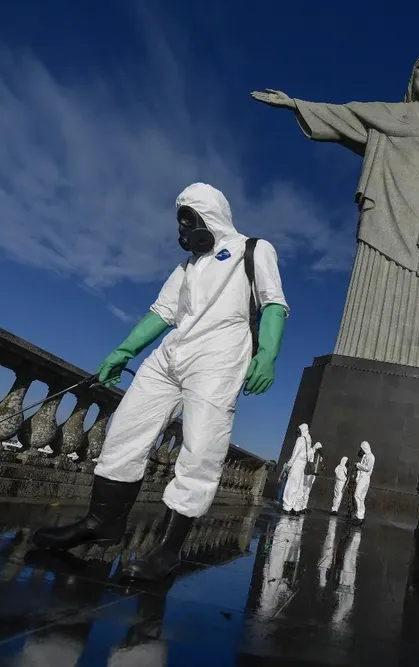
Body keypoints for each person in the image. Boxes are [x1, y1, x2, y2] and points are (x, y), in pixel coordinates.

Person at [32, 182, 289, 582]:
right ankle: (102, 523)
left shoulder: (253, 250)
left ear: (212, 215)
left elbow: (273, 303)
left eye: (191, 218)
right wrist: (122, 352)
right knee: (125, 431)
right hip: (169, 356)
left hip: (218, 358)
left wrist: (267, 355)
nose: (184, 228)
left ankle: (167, 549)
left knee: (201, 448)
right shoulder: (187, 267)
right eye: (181, 220)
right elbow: (162, 314)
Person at [280, 423, 312, 514]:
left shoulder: (301, 439)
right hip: (303, 465)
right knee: (299, 488)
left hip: (297, 464)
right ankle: (296, 508)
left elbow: (295, 454)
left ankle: (286, 507)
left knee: (291, 485)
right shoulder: (309, 440)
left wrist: (289, 465)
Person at [352, 441, 375, 525]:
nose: (360, 450)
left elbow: (368, 468)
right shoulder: (365, 456)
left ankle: (360, 516)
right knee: (360, 497)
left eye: (361, 448)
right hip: (362, 478)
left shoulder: (371, 456)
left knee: (357, 495)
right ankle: (360, 516)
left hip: (365, 478)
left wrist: (358, 465)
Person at [299, 442, 323, 513]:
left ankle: (304, 506)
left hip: (313, 475)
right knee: (303, 490)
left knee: (307, 492)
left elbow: (319, 464)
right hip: (308, 473)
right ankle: (299, 506)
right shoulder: (311, 451)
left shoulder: (319, 455)